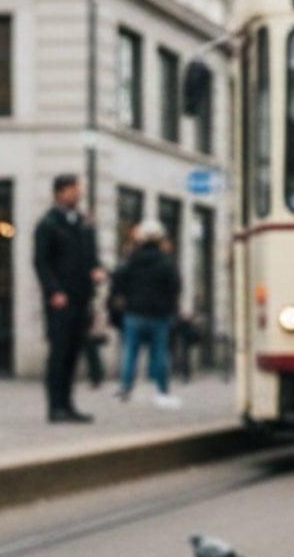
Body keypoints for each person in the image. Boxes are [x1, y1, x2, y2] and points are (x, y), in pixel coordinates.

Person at [34, 174, 99, 424]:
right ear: (60, 193)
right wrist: (53, 291)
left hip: (81, 297)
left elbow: (90, 258)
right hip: (60, 300)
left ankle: (68, 404)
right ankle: (55, 406)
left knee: (73, 352)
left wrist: (96, 270)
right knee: (59, 353)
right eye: (73, 189)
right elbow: (41, 262)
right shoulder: (48, 224)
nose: (78, 193)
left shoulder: (82, 223)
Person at [111, 221, 183, 407]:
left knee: (131, 352)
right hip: (159, 314)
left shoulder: (132, 260)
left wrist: (125, 300)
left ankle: (126, 388)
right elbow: (175, 287)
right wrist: (170, 307)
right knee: (160, 353)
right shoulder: (166, 261)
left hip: (134, 312)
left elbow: (120, 280)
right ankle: (162, 391)